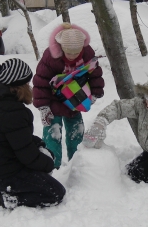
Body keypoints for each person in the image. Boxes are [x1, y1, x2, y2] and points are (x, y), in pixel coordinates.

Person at [0, 58, 66, 212]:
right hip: (2, 176)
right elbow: (26, 155)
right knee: (55, 192)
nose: (30, 87)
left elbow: (18, 139)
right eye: (27, 84)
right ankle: (4, 200)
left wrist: (40, 145)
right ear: (19, 87)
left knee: (41, 172)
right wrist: (48, 163)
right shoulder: (13, 112)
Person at [33, 22, 105, 169]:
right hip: (53, 100)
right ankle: (51, 165)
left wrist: (95, 92)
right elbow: (41, 81)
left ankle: (77, 164)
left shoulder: (87, 54)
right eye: (69, 53)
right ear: (61, 48)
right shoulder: (51, 56)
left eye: (76, 53)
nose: (72, 56)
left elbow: (95, 73)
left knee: (76, 132)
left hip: (75, 98)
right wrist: (43, 107)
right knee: (53, 135)